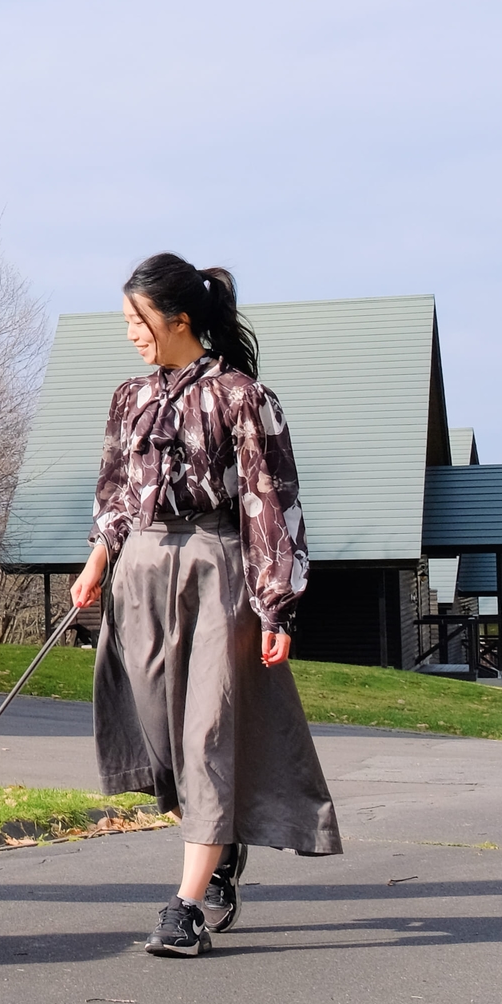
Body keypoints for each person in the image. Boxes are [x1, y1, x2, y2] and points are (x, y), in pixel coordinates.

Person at [69, 254, 341, 959]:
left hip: (217, 569)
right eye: (125, 319)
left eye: (139, 319)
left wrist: (276, 606)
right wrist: (98, 559)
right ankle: (218, 850)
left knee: (208, 733)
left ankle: (183, 906)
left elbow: (270, 503)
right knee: (158, 735)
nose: (129, 332)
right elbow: (116, 492)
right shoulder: (128, 397)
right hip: (140, 573)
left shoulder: (242, 396)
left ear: (179, 319)